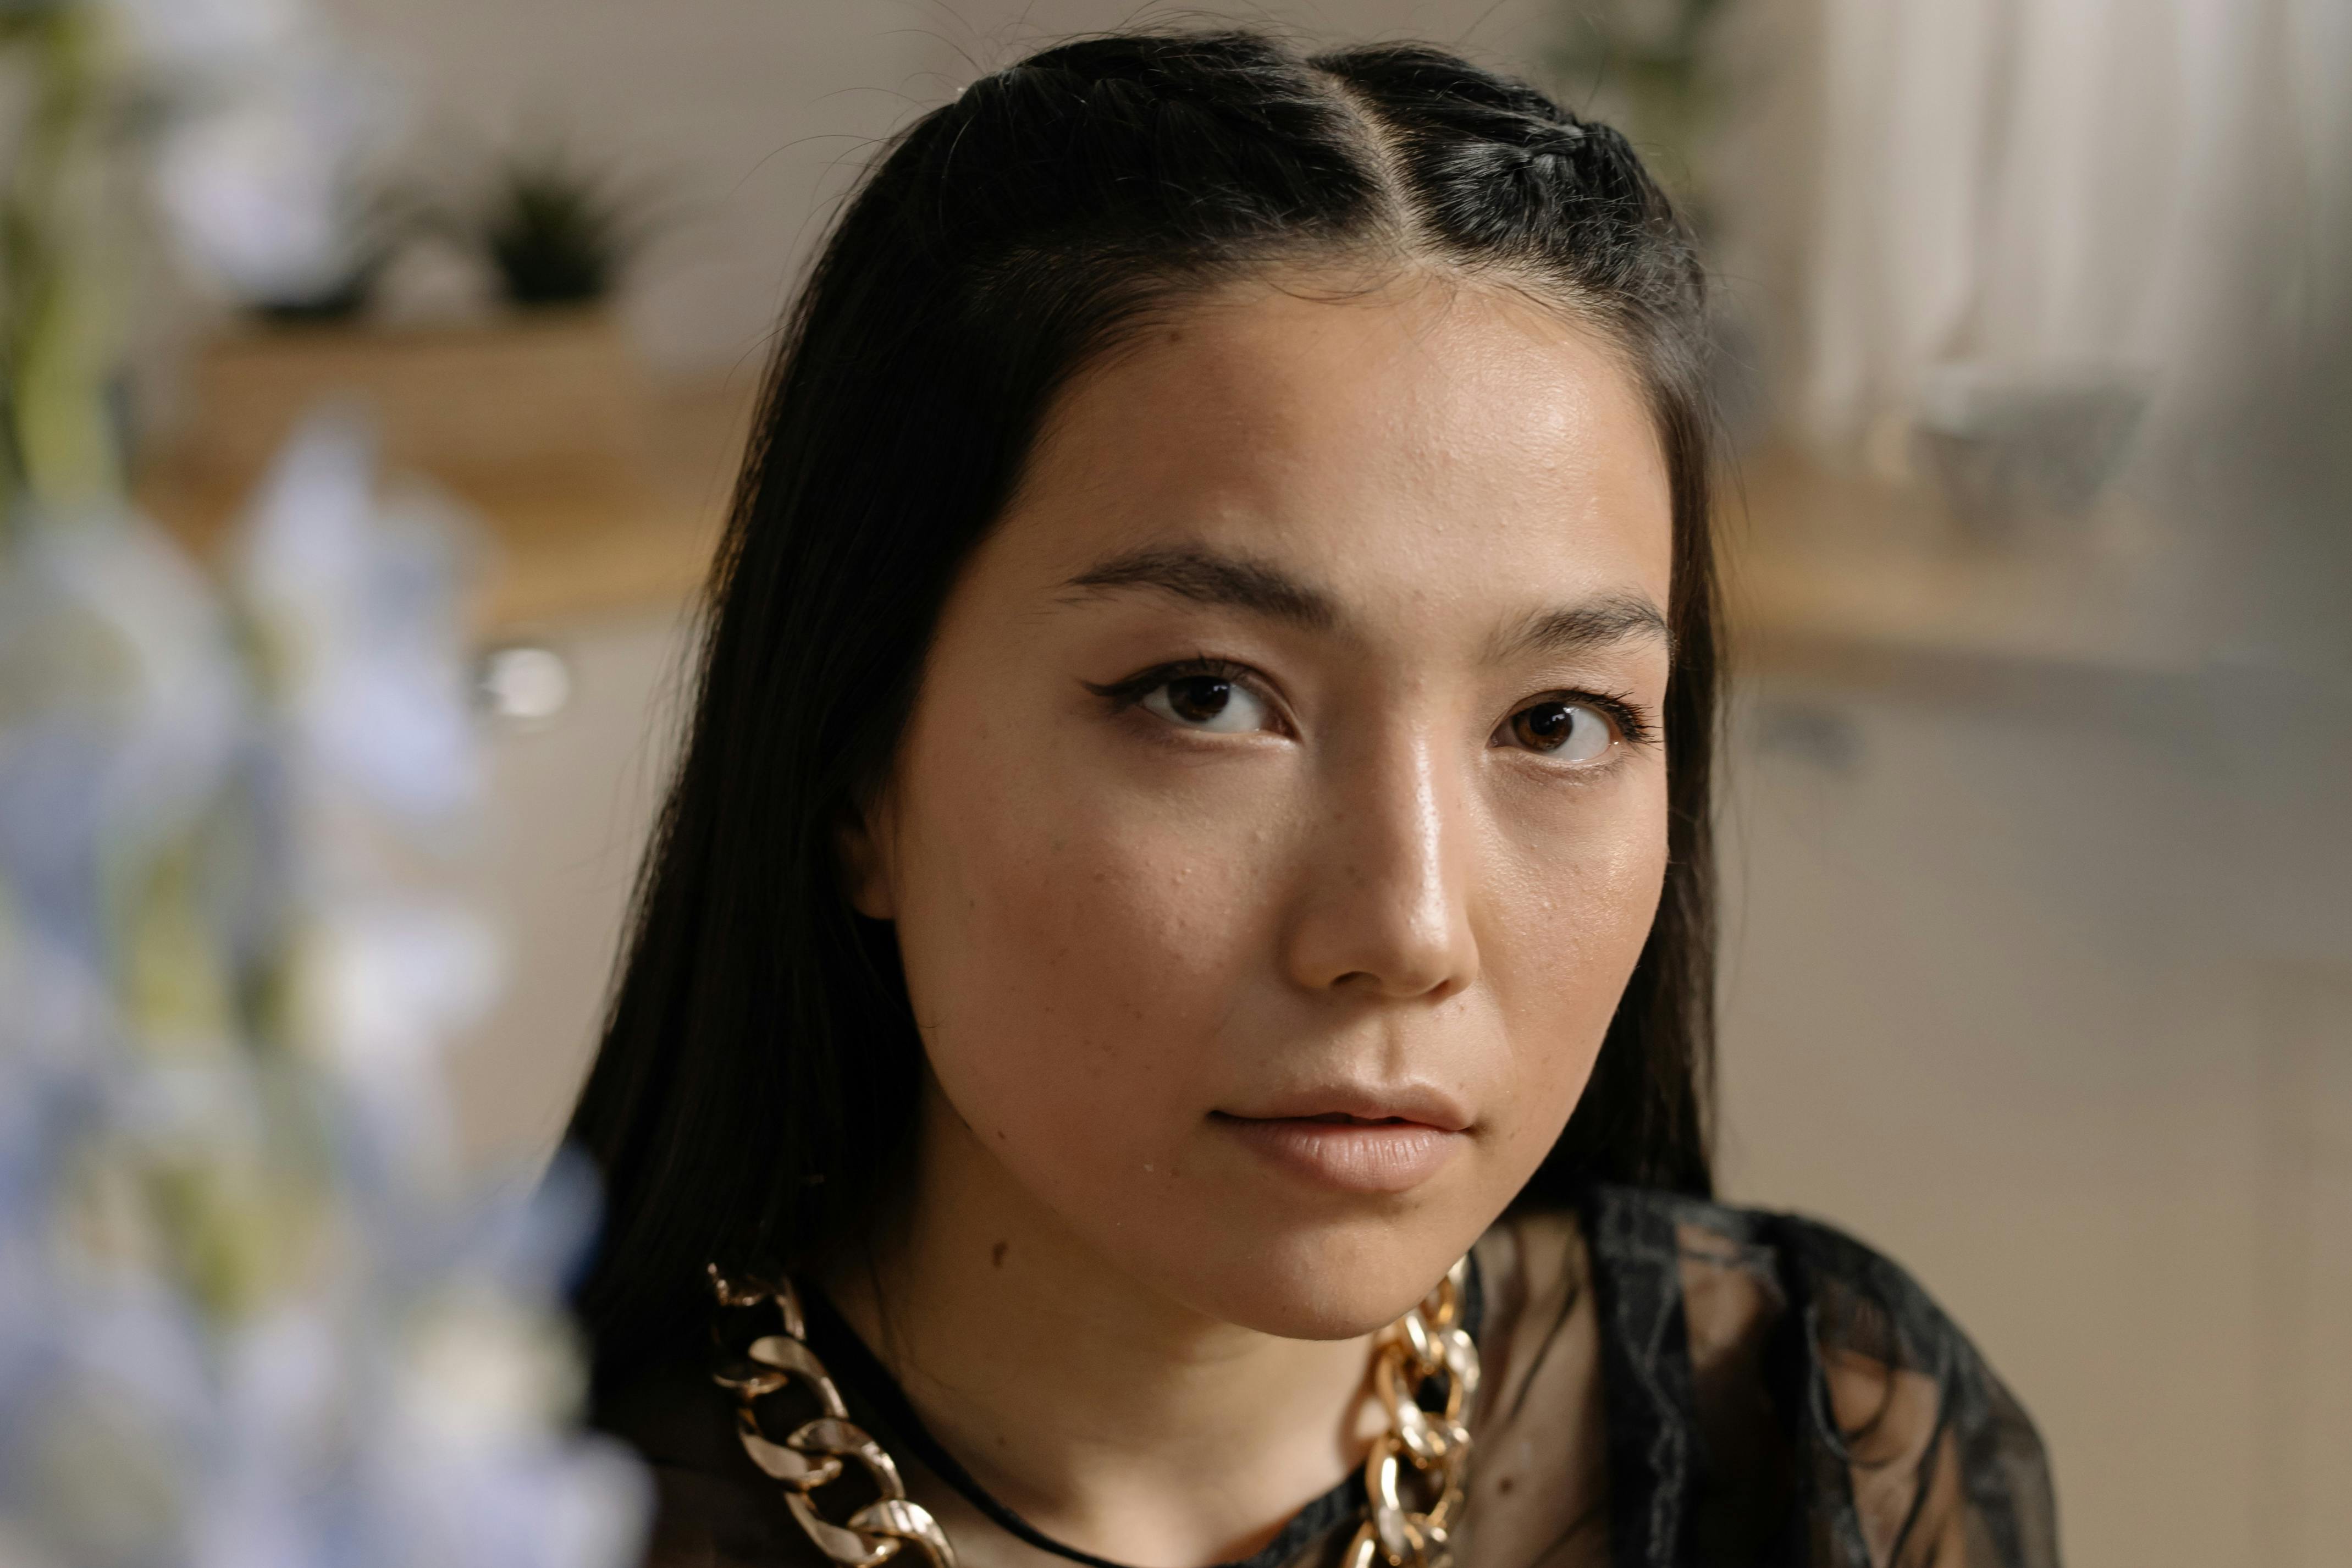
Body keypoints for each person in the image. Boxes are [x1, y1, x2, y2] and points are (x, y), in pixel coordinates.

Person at [565, 30, 2058, 1568]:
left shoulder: (1813, 1438)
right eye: (1206, 697)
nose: (1406, 926)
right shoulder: (462, 1514)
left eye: (1558, 719)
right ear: (854, 769)